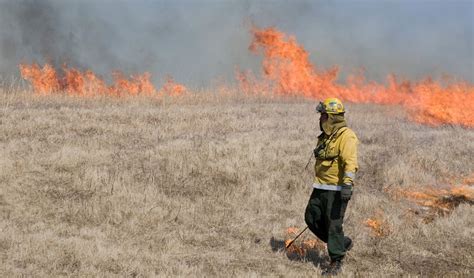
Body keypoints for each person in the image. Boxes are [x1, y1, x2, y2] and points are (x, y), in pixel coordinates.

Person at [304, 97, 358, 276]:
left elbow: (350, 162)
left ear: (333, 118)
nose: (321, 119)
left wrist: (347, 185)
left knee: (334, 225)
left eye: (324, 116)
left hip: (336, 189)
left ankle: (336, 260)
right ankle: (340, 243)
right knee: (311, 217)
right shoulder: (326, 137)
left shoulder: (346, 136)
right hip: (320, 186)